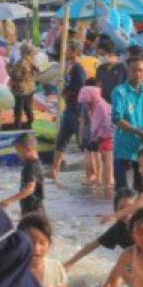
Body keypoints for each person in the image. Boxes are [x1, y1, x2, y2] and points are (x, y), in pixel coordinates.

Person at [111, 54, 143, 193]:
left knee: (142, 190)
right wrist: (140, 132)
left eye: (140, 70)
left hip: (142, 149)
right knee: (123, 192)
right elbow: (117, 119)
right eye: (134, 70)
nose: (137, 73)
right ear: (128, 71)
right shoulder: (120, 91)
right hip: (124, 148)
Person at [52, 40, 88, 182]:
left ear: (75, 52)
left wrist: (66, 92)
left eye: (69, 50)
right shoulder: (68, 67)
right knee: (61, 141)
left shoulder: (78, 69)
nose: (66, 52)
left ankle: (90, 172)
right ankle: (55, 171)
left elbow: (80, 89)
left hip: (77, 111)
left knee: (82, 143)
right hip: (68, 110)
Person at [79, 82, 115, 189]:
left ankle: (108, 182)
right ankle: (105, 181)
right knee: (105, 160)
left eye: (88, 102)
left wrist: (99, 137)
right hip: (102, 137)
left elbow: (107, 123)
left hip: (106, 137)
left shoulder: (100, 106)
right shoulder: (95, 106)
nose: (87, 105)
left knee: (107, 160)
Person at [0, 133, 46, 216]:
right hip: (33, 210)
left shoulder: (32, 166)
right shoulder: (33, 164)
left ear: (28, 149)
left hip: (33, 212)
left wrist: (9, 200)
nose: (18, 154)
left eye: (19, 151)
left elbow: (30, 189)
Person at [8, 42, 38, 131]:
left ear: (23, 51)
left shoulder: (21, 62)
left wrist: (8, 69)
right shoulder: (32, 61)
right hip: (30, 88)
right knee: (28, 108)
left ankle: (17, 129)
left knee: (18, 111)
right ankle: (32, 126)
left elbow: (16, 76)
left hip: (20, 90)